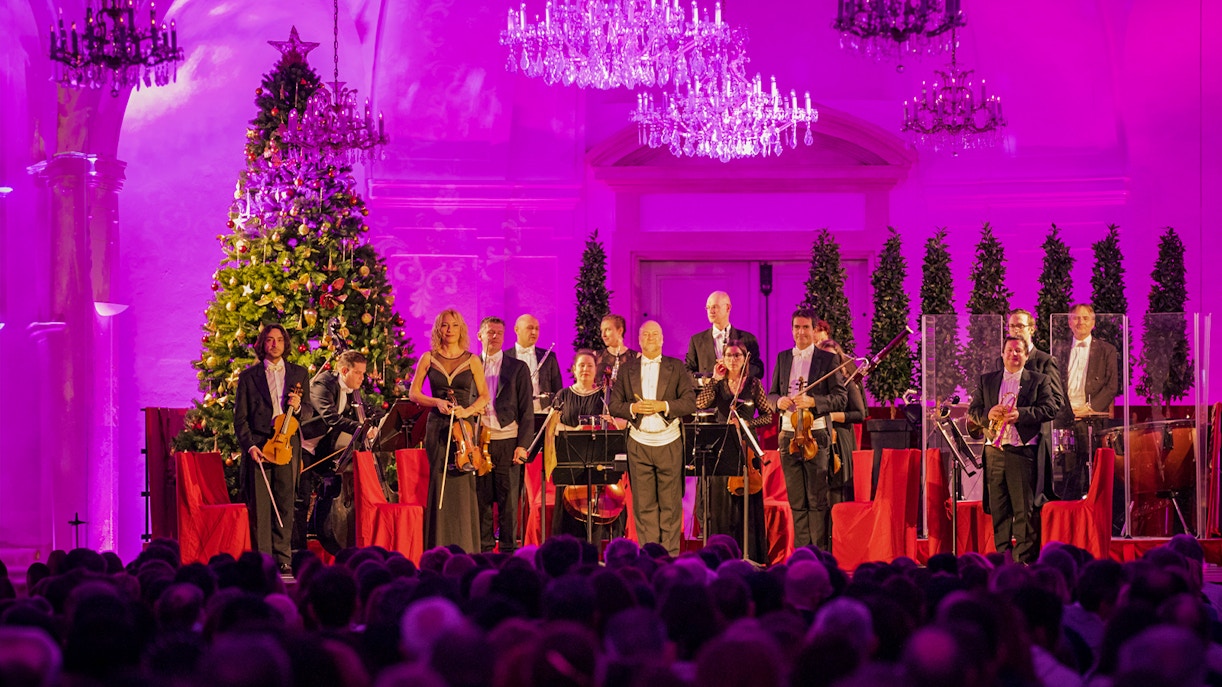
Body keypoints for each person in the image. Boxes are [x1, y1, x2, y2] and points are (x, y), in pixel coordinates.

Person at [610, 320, 698, 556]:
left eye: (655, 334)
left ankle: (669, 557)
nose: (650, 337)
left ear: (662, 339)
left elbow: (690, 403)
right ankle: (648, 556)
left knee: (670, 505)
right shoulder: (628, 369)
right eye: (645, 334)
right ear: (638, 340)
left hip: (669, 441)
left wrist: (663, 405)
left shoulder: (676, 367)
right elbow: (614, 404)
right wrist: (634, 409)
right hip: (639, 443)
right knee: (644, 505)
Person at [408, 309, 492, 552]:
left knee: (464, 482)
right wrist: (436, 403)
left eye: (454, 326)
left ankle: (466, 546)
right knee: (439, 479)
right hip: (438, 426)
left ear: (461, 329)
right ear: (438, 329)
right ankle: (438, 545)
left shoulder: (472, 359)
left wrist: (467, 411)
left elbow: (485, 396)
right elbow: (414, 393)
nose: (450, 330)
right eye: (445, 325)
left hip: (464, 428)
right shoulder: (428, 358)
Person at [969, 336, 1059, 563]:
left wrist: (1021, 414)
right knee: (999, 509)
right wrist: (988, 414)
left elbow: (1050, 409)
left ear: (1026, 355)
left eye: (1018, 351)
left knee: (1024, 509)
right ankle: (1002, 558)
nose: (1013, 354)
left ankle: (1024, 561)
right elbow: (974, 410)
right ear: (1002, 354)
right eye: (1009, 350)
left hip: (1022, 452)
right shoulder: (987, 380)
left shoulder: (1039, 380)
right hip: (994, 451)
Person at [767, 308, 847, 550]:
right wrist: (778, 401)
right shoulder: (783, 358)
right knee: (797, 501)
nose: (800, 332)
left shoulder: (827, 359)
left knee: (817, 499)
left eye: (805, 327)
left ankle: (820, 553)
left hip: (816, 435)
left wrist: (814, 402)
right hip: (788, 436)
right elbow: (771, 393)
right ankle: (803, 553)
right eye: (796, 327)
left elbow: (841, 398)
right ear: (792, 331)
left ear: (814, 331)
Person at [233, 324, 310, 573]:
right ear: (262, 344)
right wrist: (250, 446)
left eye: (279, 340)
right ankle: (263, 560)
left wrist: (297, 407)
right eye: (269, 340)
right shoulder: (248, 377)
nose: (274, 344)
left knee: (285, 503)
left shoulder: (299, 373)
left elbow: (308, 412)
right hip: (260, 446)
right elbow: (240, 418)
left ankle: (283, 557)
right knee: (262, 505)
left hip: (287, 444)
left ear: (285, 344)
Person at [694, 339, 775, 563]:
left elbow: (768, 415)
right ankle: (720, 555)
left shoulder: (753, 384)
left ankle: (750, 553)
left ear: (745, 358)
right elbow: (700, 403)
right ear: (723, 359)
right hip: (722, 446)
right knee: (721, 501)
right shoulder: (718, 384)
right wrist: (714, 379)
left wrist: (749, 425)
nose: (733, 359)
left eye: (737, 355)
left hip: (746, 445)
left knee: (747, 503)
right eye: (728, 355)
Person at [295, 350, 373, 553]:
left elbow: (368, 409)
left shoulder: (351, 391)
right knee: (301, 498)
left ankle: (317, 530)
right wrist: (360, 427)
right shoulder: (323, 384)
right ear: (345, 370)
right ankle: (297, 550)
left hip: (322, 447)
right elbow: (330, 417)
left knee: (328, 486)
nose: (362, 378)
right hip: (303, 444)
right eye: (359, 373)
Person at [550, 349, 627, 541]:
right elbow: (552, 425)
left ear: (596, 370)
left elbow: (623, 423)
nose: (585, 369)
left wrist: (612, 419)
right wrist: (573, 430)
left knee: (598, 510)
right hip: (570, 459)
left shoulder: (605, 396)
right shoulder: (563, 395)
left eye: (590, 366)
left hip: (598, 462)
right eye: (581, 365)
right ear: (574, 370)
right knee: (568, 518)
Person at [475, 317, 534, 554]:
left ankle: (509, 550)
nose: (495, 337)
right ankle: (485, 549)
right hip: (479, 441)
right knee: (482, 500)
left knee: (509, 502)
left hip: (508, 441)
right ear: (480, 335)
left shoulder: (518, 368)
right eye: (490, 332)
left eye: (499, 333)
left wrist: (523, 446)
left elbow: (526, 411)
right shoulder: (470, 365)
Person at [1051, 304, 1119, 500]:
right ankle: (1068, 510)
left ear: (1093, 323)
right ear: (1069, 322)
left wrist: (1088, 408)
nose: (1080, 322)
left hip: (1092, 417)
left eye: (1085, 318)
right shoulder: (1059, 349)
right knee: (1066, 469)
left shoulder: (1107, 350)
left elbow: (1111, 386)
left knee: (1090, 466)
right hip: (1065, 416)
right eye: (1076, 318)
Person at [1004, 309, 1064, 503]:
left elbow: (1056, 401)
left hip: (1034, 441)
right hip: (1006, 441)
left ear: (1032, 329)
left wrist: (1022, 414)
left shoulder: (1045, 361)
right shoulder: (1003, 359)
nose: (1016, 330)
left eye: (1020, 326)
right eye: (1012, 326)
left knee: (1031, 501)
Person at [819, 339, 867, 505]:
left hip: (840, 439)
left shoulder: (847, 384)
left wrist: (832, 416)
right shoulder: (818, 386)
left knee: (838, 492)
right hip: (822, 439)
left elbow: (860, 414)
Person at [686, 291, 764, 382]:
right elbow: (687, 371)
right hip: (707, 394)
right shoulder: (696, 340)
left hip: (739, 394)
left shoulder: (748, 339)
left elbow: (758, 370)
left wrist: (735, 367)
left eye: (715, 307)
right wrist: (704, 381)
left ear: (728, 308)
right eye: (708, 307)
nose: (711, 311)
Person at [506, 314, 564, 414]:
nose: (534, 332)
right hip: (513, 413)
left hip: (542, 412)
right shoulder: (504, 357)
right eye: (530, 328)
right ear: (516, 330)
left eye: (537, 329)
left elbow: (558, 389)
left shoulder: (549, 357)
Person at [596, 314, 639, 387]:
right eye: (602, 330)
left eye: (608, 330)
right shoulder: (596, 356)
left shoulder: (636, 357)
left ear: (620, 331)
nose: (603, 335)